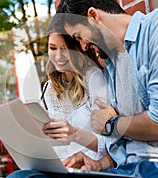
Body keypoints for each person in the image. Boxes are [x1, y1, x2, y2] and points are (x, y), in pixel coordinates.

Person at [5, 0, 158, 178]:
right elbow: (125, 145)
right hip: (125, 171)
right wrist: (98, 164)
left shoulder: (156, 28)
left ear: (93, 16)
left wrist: (111, 123)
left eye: (78, 35)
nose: (83, 47)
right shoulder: (110, 64)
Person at [41, 18, 108, 163]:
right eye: (52, 48)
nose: (58, 57)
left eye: (65, 49)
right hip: (59, 165)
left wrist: (74, 134)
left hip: (90, 166)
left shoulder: (93, 78)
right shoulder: (49, 88)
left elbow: (107, 144)